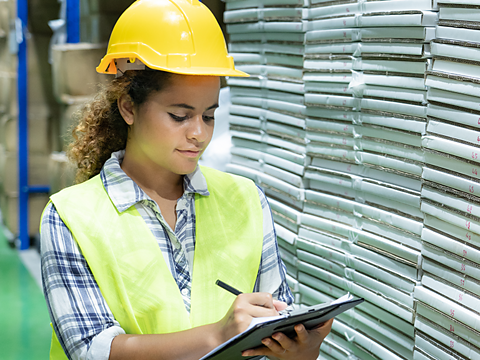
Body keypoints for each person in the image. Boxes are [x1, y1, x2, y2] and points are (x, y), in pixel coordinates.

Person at [40, 0, 333, 359]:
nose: (199, 133)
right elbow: (90, 348)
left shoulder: (245, 200)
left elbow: (274, 321)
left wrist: (298, 350)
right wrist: (217, 336)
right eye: (180, 115)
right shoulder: (71, 217)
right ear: (129, 107)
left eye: (209, 116)